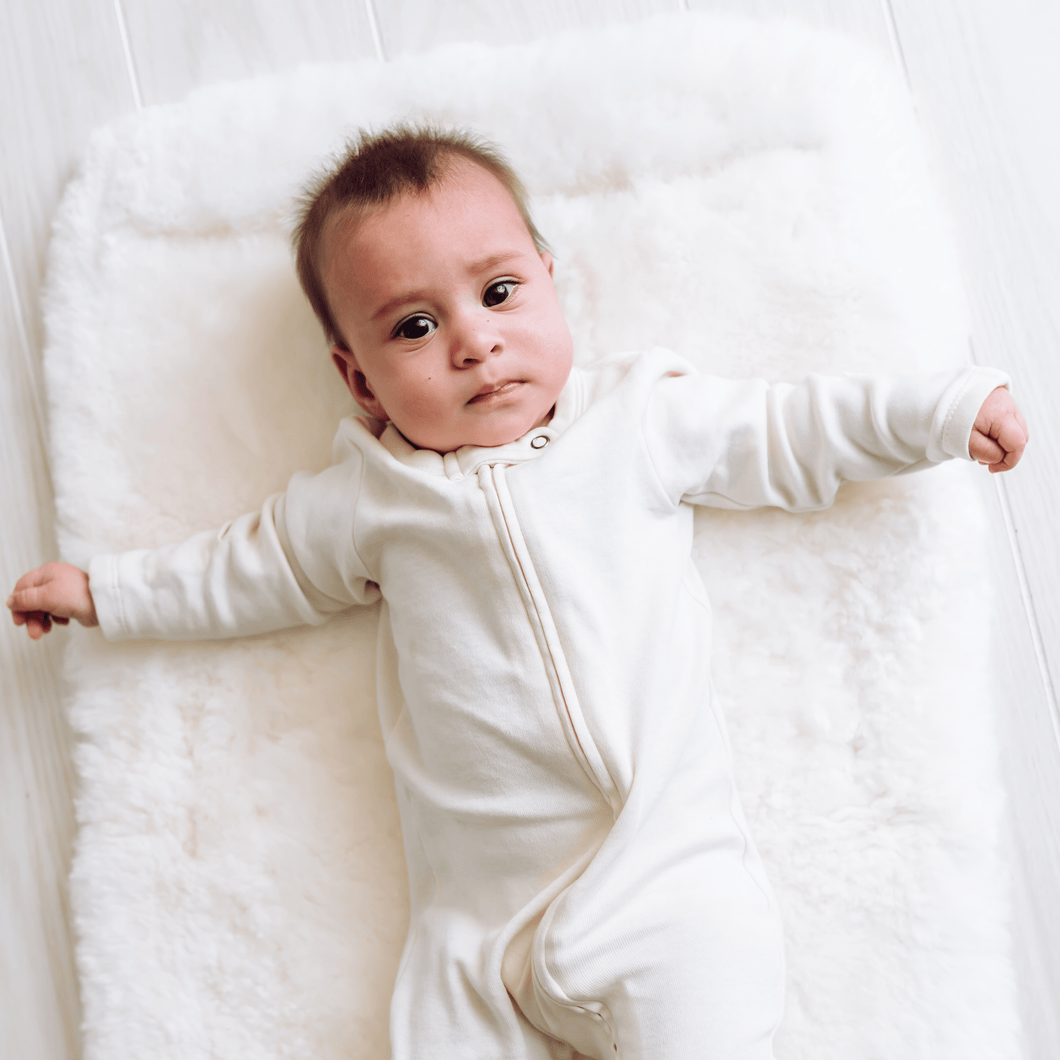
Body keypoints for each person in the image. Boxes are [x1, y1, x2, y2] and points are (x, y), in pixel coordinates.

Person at [6, 126, 1028, 1060]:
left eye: (498, 293)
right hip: (477, 929)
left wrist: (942, 410)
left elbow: (793, 428)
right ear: (358, 380)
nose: (473, 342)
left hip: (665, 881)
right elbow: (245, 568)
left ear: (549, 280)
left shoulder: (635, 420)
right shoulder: (368, 498)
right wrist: (109, 592)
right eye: (415, 325)